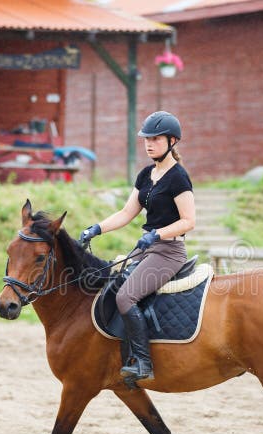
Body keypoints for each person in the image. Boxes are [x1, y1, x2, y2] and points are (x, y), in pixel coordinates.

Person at [80, 111, 195, 383]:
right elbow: (125, 213)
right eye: (146, 138)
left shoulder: (179, 177)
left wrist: (156, 235)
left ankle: (143, 362)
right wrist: (95, 228)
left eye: (155, 139)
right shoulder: (146, 175)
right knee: (110, 286)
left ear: (172, 141)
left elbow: (189, 221)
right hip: (148, 250)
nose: (149, 143)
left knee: (125, 297)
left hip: (169, 252)